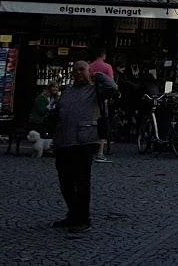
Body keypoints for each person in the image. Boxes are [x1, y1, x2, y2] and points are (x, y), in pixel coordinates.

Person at [52, 60, 118, 231]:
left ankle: (83, 218)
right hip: (64, 142)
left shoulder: (96, 90)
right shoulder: (67, 91)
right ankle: (72, 214)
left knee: (81, 182)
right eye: (75, 70)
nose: (78, 73)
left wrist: (99, 75)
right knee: (65, 182)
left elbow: (113, 88)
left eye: (82, 70)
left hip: (84, 141)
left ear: (89, 72)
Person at [87, 44, 114, 163]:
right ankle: (100, 151)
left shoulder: (90, 66)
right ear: (103, 55)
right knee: (102, 123)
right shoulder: (107, 67)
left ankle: (88, 147)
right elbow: (111, 84)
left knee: (90, 121)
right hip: (102, 98)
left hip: (90, 97)